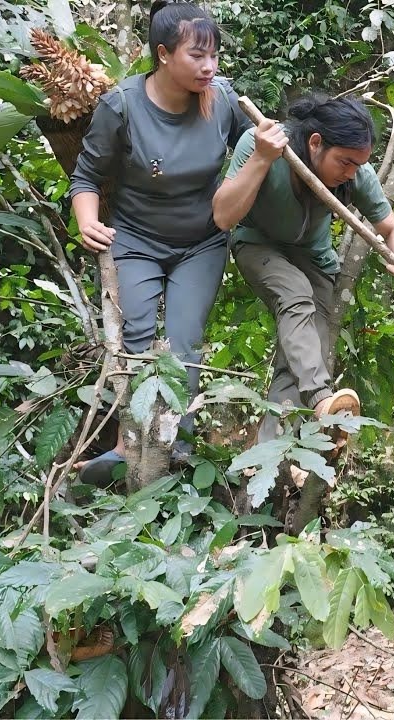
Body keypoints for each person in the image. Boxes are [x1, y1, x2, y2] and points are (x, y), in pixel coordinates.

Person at [70, 0, 252, 483]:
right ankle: (126, 447)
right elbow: (85, 177)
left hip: (202, 243)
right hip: (136, 240)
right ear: (164, 54)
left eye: (214, 55)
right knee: (134, 343)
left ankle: (177, 447)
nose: (209, 66)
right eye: (197, 56)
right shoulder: (122, 104)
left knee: (184, 344)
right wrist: (87, 220)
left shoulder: (225, 100)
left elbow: (255, 151)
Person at [212, 94, 394, 454]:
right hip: (258, 245)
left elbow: (391, 228)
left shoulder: (356, 172)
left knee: (306, 354)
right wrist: (262, 158)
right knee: (294, 296)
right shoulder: (262, 142)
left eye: (358, 165)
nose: (351, 172)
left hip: (315, 260)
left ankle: (275, 458)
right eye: (345, 162)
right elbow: (223, 217)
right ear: (315, 143)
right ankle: (323, 400)